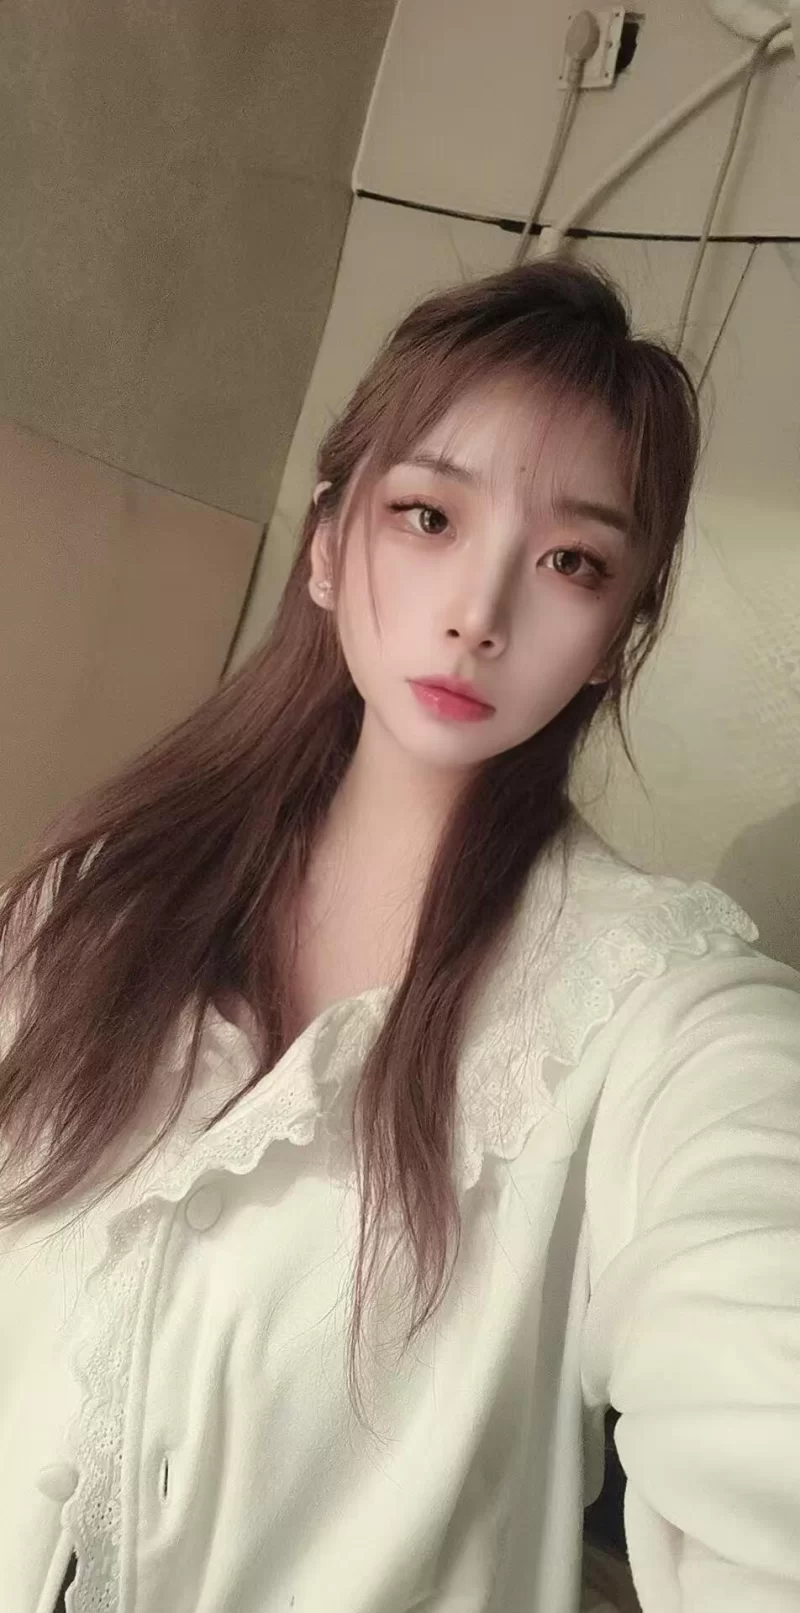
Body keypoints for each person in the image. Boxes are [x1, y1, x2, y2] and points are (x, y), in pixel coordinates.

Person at [0, 257, 798, 1613]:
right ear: (327, 546)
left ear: (618, 633)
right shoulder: (92, 900)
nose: (478, 614)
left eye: (572, 561)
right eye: (429, 514)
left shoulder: (660, 1015)